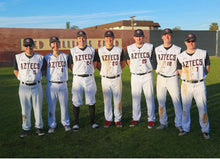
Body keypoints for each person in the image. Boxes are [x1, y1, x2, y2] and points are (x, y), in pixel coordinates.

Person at [177, 33, 210, 139]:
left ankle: (205, 130)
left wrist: (199, 75)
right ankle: (185, 128)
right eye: (189, 41)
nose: (191, 43)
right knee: (185, 108)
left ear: (195, 41)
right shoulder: (180, 56)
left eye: (193, 41)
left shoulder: (203, 53)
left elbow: (207, 69)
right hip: (186, 84)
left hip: (199, 83)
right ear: (185, 42)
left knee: (202, 108)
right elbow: (180, 71)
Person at [152, 28, 183, 132]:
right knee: (161, 101)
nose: (167, 37)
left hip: (173, 78)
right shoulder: (157, 49)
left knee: (176, 101)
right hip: (161, 78)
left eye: (169, 35)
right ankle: (163, 122)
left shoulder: (178, 49)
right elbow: (154, 64)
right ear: (162, 37)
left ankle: (178, 123)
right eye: (165, 35)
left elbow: (181, 65)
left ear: (171, 36)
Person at [13, 38, 45, 138]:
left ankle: (39, 127)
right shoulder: (18, 57)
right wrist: (22, 79)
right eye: (26, 46)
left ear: (33, 46)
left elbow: (43, 71)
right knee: (25, 108)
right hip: (23, 86)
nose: (28, 47)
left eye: (30, 45)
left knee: (38, 108)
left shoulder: (40, 57)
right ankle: (26, 128)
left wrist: (37, 78)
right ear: (24, 47)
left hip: (37, 85)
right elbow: (15, 70)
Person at [68, 31, 99, 131]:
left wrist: (88, 70)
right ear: (76, 40)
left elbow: (95, 62)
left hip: (89, 77)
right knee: (76, 100)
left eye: (83, 37)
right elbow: (71, 65)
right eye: (79, 38)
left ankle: (92, 122)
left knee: (91, 100)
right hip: (77, 78)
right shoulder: (72, 50)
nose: (81, 40)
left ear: (86, 38)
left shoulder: (92, 50)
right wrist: (78, 71)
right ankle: (76, 123)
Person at [125, 29, 156, 129]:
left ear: (143, 37)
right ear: (134, 37)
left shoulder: (150, 47)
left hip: (147, 75)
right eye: (136, 36)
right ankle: (135, 118)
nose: (138, 38)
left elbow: (154, 60)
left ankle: (151, 119)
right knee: (136, 97)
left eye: (140, 36)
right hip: (135, 76)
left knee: (149, 97)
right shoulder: (129, 48)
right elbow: (128, 61)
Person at [97, 30, 125, 128]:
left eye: (110, 37)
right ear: (104, 39)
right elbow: (98, 64)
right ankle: (108, 119)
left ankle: (117, 119)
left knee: (117, 99)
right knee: (106, 99)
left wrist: (116, 70)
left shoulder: (119, 50)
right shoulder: (100, 51)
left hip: (116, 77)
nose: (109, 39)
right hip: (105, 78)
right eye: (107, 37)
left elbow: (123, 63)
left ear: (113, 39)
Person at [44, 36, 71, 133]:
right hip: (51, 85)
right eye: (53, 43)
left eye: (57, 43)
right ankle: (51, 125)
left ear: (59, 44)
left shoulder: (65, 56)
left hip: (63, 84)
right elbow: (43, 70)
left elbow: (70, 67)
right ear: (50, 45)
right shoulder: (47, 57)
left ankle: (66, 123)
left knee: (64, 105)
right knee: (51, 106)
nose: (55, 45)